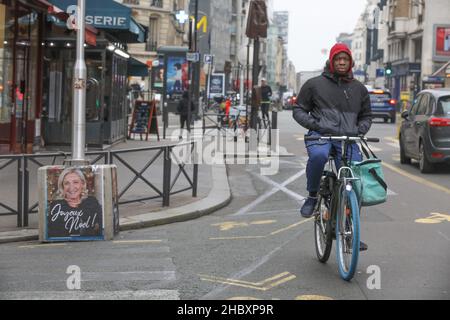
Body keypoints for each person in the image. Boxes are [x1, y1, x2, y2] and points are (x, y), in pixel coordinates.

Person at [292, 43, 372, 249]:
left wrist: (360, 130)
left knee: (355, 180)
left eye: (345, 59)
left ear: (351, 62)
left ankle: (350, 229)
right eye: (338, 59)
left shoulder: (359, 88)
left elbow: (366, 116)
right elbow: (299, 109)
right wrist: (315, 125)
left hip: (347, 137)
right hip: (321, 134)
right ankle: (311, 197)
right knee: (318, 157)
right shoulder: (314, 84)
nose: (342, 62)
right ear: (332, 61)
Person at [48, 168, 103, 238]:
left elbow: (100, 227)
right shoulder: (56, 206)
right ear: (62, 187)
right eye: (67, 183)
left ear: (82, 184)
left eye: (75, 182)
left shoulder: (92, 202)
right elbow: (53, 233)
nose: (71, 187)